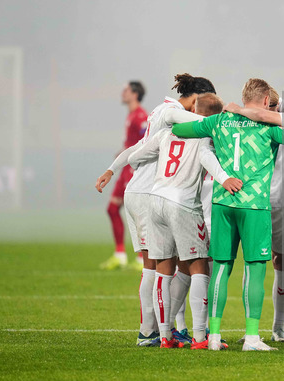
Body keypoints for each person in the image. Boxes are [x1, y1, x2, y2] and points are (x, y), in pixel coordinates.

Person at [171, 78, 284, 351]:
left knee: (221, 267)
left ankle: (214, 337)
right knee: (254, 269)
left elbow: (179, 129)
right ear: (267, 101)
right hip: (254, 205)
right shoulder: (269, 127)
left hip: (223, 202)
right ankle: (253, 338)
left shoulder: (218, 121)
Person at [95, 74, 237, 346]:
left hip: (147, 194)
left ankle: (165, 332)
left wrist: (113, 168)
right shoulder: (174, 114)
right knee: (172, 266)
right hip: (157, 194)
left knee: (164, 266)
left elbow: (136, 151)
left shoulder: (160, 114)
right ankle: (156, 331)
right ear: (196, 100)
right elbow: (206, 125)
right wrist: (228, 118)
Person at [101, 81, 147, 270]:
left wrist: (132, 156)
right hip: (124, 169)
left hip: (133, 169)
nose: (123, 92)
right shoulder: (131, 115)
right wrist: (123, 151)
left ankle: (141, 258)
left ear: (135, 94)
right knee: (112, 209)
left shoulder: (141, 116)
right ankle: (119, 254)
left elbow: (147, 142)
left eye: (126, 90)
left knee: (135, 212)